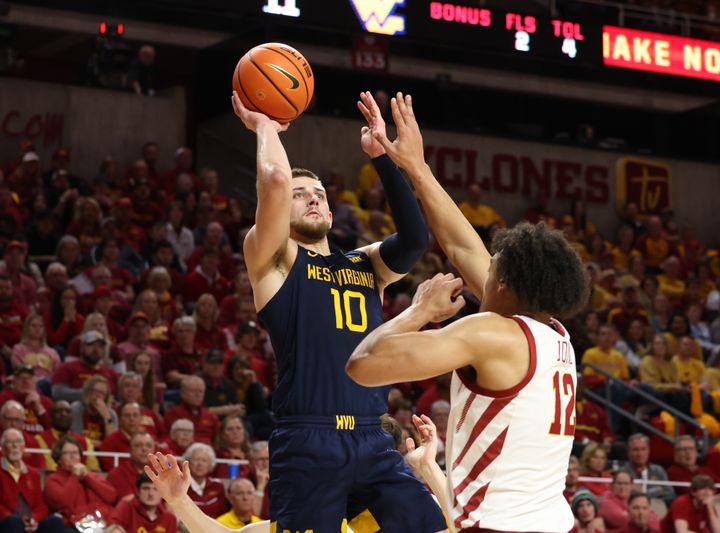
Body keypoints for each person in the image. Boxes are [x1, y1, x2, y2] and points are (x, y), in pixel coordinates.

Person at [346, 92, 589, 531]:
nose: (485, 263)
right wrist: (416, 167)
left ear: (504, 285)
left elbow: (362, 365)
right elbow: (460, 246)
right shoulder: (552, 332)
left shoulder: (491, 333)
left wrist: (417, 312)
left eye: (494, 263)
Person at [231, 87, 444, 533]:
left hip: (372, 436)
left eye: (320, 194)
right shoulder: (273, 259)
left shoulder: (364, 263)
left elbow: (414, 241)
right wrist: (265, 127)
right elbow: (272, 181)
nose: (313, 199)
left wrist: (383, 158)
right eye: (300, 194)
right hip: (308, 438)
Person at [0, 428, 65, 533]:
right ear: (2, 448)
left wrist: (34, 519)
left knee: (56, 521)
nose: (15, 445)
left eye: (18, 441)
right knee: (13, 522)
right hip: (7, 521)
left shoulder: (33, 473)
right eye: (9, 442)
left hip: (29, 521)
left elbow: (40, 506)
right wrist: (18, 520)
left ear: (23, 447)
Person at [43, 436, 117, 526]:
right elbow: (64, 503)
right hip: (77, 525)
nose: (73, 456)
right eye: (67, 453)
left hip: (103, 522)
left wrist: (87, 476)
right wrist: (75, 476)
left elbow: (111, 496)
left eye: (75, 452)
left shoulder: (91, 475)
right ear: (58, 459)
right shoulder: (52, 479)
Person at [34, 400, 99, 472]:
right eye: (59, 411)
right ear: (51, 416)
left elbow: (94, 469)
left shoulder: (86, 442)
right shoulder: (40, 439)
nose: (64, 414)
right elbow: (50, 468)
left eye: (68, 411)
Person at [110, 473, 178, 533]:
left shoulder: (169, 518)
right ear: (138, 492)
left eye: (155, 489)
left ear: (162, 493)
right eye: (146, 488)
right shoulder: (126, 507)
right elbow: (111, 528)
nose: (151, 493)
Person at [623, 434, 675, 504]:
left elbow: (670, 493)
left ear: (649, 451)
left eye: (643, 449)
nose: (640, 454)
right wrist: (658, 490)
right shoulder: (623, 473)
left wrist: (642, 493)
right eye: (636, 450)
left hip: (657, 507)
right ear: (628, 452)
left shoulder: (658, 470)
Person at [107, 432, 157, 501]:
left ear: (154, 450)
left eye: (148, 446)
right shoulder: (117, 474)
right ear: (130, 450)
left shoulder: (161, 473)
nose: (144, 449)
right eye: (138, 445)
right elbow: (127, 501)